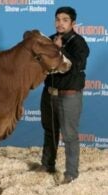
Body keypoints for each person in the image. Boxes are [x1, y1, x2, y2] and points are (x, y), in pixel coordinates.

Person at [39, 6, 89, 183]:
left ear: (73, 23)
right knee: (50, 130)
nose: (60, 23)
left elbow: (76, 66)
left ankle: (71, 173)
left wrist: (60, 50)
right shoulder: (50, 40)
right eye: (58, 19)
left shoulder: (79, 43)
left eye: (65, 20)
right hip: (49, 93)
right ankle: (47, 164)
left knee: (69, 135)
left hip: (69, 95)